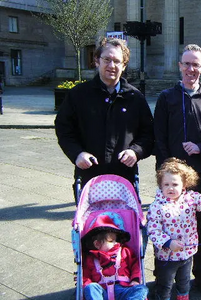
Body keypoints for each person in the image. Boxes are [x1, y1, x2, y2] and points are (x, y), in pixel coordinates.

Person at [153, 44, 201, 296]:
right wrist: (165, 171)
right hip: (171, 179)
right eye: (187, 64)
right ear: (179, 66)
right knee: (165, 224)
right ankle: (162, 274)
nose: (191, 69)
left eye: (196, 65)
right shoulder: (166, 97)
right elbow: (158, 136)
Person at [55, 37, 154, 202]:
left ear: (124, 65)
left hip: (124, 179)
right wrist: (77, 154)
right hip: (89, 177)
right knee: (92, 227)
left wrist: (135, 151)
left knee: (124, 227)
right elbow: (64, 129)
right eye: (107, 59)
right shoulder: (78, 95)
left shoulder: (135, 98)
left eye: (117, 61)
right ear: (96, 61)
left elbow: (148, 133)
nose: (111, 65)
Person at [146, 157, 201, 300]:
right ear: (160, 185)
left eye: (175, 184)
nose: (170, 188)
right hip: (166, 256)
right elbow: (153, 230)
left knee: (184, 281)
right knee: (165, 284)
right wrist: (167, 242)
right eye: (166, 184)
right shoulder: (157, 206)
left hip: (187, 252)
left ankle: (183, 296)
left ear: (184, 185)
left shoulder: (190, 199)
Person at [81, 213, 148, 300]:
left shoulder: (124, 251)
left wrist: (135, 280)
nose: (116, 243)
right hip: (102, 291)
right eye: (111, 241)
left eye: (116, 240)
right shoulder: (91, 258)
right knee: (91, 288)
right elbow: (85, 275)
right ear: (97, 244)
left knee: (141, 289)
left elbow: (135, 266)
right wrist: (87, 284)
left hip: (123, 289)